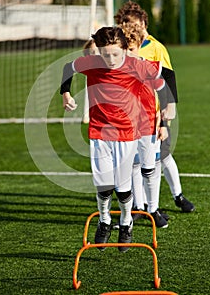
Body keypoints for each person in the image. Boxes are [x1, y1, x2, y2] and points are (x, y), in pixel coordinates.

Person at [60, 26, 172, 251]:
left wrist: (168, 108)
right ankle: (104, 221)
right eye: (105, 54)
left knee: (122, 189)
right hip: (99, 132)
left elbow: (164, 79)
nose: (110, 59)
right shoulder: (92, 64)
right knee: (103, 187)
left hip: (126, 134)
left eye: (115, 54)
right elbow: (67, 68)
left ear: (124, 49)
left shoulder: (136, 65)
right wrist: (66, 94)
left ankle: (126, 222)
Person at [114, 1, 195, 214]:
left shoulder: (156, 47)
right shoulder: (122, 48)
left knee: (163, 156)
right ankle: (140, 205)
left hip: (155, 113)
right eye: (125, 24)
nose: (130, 28)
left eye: (133, 23)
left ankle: (177, 195)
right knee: (135, 161)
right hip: (131, 114)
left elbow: (168, 77)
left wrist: (170, 108)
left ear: (143, 22)